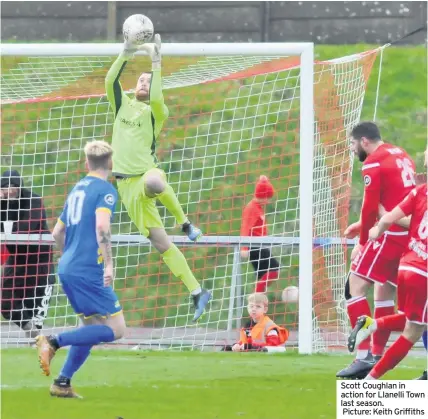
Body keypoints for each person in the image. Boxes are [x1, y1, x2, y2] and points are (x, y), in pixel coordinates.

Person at [105, 34, 211, 322]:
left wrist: (156, 62)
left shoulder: (156, 111)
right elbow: (110, 81)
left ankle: (186, 223)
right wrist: (125, 53)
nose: (143, 83)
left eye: (148, 81)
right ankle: (197, 291)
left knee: (154, 182)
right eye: (139, 80)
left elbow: (156, 95)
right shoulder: (122, 106)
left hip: (146, 174)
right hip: (125, 186)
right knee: (161, 244)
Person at [35, 140, 126, 398]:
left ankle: (62, 382)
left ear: (86, 163)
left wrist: (69, 258)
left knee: (91, 325)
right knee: (116, 329)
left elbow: (57, 232)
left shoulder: (76, 189)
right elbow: (101, 226)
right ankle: (53, 341)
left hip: (68, 265)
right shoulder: (105, 190)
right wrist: (109, 263)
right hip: (87, 269)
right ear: (110, 163)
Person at [336, 122, 416, 379]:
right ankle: (377, 354)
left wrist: (362, 242)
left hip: (389, 234)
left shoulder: (372, 162)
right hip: (408, 235)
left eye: (352, 144)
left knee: (354, 286)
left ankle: (362, 357)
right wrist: (362, 224)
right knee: (384, 293)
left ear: (364, 142)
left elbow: (372, 205)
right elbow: (399, 197)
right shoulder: (401, 153)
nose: (352, 149)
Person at [347, 148, 427, 380]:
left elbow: (389, 218)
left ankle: (372, 325)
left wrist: (372, 232)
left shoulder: (420, 192)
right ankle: (371, 379)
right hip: (424, 271)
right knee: (413, 330)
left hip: (407, 265)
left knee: (415, 319)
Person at [0, 170, 54, 338]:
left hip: (38, 260)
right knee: (5, 304)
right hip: (16, 259)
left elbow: (25, 229)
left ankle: (37, 336)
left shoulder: (34, 201)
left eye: (13, 186)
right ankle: (33, 333)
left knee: (34, 308)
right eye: (5, 187)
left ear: (20, 187)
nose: (9, 191)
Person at [240, 176, 279, 293]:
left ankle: (258, 298)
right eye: (268, 197)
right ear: (263, 195)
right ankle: (257, 296)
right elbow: (245, 228)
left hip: (261, 245)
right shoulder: (251, 208)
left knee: (264, 276)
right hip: (255, 246)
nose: (269, 201)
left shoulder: (258, 208)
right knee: (274, 269)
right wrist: (244, 247)